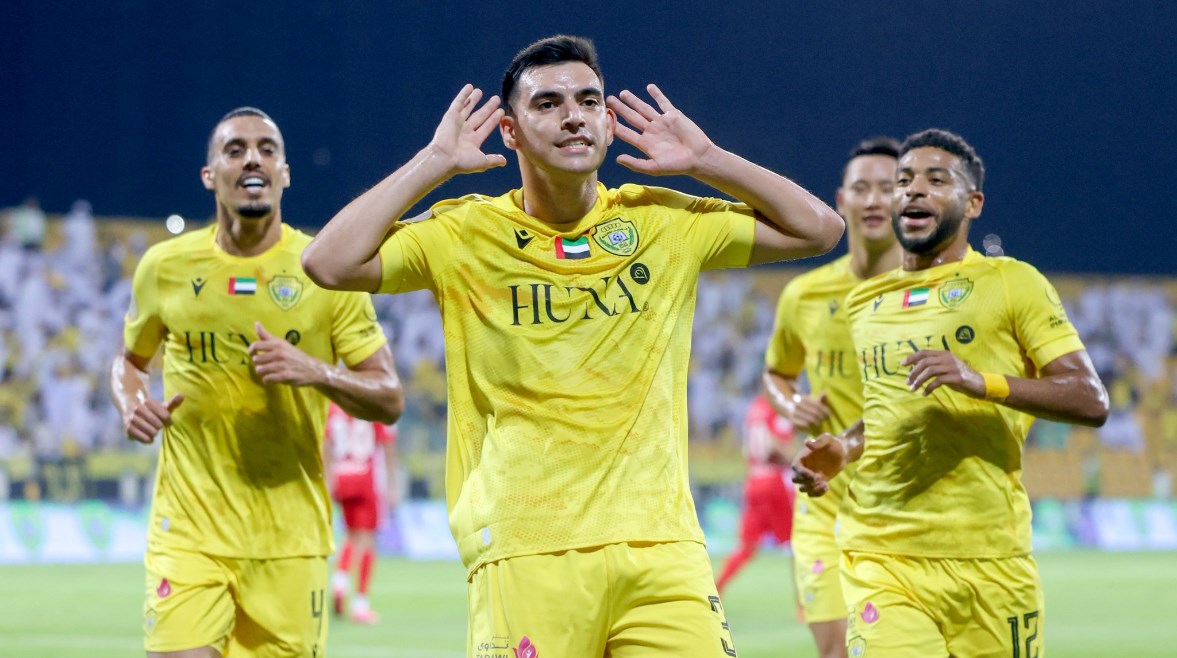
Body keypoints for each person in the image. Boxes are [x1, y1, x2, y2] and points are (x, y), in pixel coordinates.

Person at [302, 34, 844, 658]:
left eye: (589, 101)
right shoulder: (466, 231)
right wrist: (434, 162)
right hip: (526, 546)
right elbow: (328, 263)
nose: (573, 116)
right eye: (548, 103)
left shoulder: (662, 221)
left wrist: (708, 160)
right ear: (509, 131)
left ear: (608, 123)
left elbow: (819, 230)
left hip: (662, 545)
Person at [792, 128, 1109, 657]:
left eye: (936, 180)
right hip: (881, 554)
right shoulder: (865, 303)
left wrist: (980, 381)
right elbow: (891, 408)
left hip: (990, 560)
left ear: (973, 203)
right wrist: (845, 446)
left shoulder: (1012, 282)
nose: (914, 190)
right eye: (904, 181)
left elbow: (1089, 399)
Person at [110, 107, 404, 658]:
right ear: (210, 175)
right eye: (236, 150)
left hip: (289, 542)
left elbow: (389, 397)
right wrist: (132, 401)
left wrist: (314, 370)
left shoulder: (323, 270)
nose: (253, 159)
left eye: (267, 150)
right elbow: (129, 361)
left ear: (284, 174)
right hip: (189, 532)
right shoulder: (164, 267)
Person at [762, 136, 902, 658]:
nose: (873, 200)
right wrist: (789, 404)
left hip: (899, 506)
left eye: (887, 188)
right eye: (861, 189)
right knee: (835, 652)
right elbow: (777, 373)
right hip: (822, 500)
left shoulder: (930, 294)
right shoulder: (805, 294)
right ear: (841, 200)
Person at [324, 402, 398, 624]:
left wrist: (328, 478)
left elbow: (326, 444)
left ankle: (339, 581)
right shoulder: (371, 401)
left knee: (351, 535)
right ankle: (360, 604)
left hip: (341, 476)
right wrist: (392, 484)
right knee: (367, 540)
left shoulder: (333, 406)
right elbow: (387, 443)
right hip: (366, 478)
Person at [714, 394, 795, 595]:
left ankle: (716, 590)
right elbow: (777, 446)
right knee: (798, 542)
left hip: (754, 480)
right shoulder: (780, 406)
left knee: (747, 546)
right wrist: (795, 460)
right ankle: (804, 604)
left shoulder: (755, 407)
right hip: (774, 482)